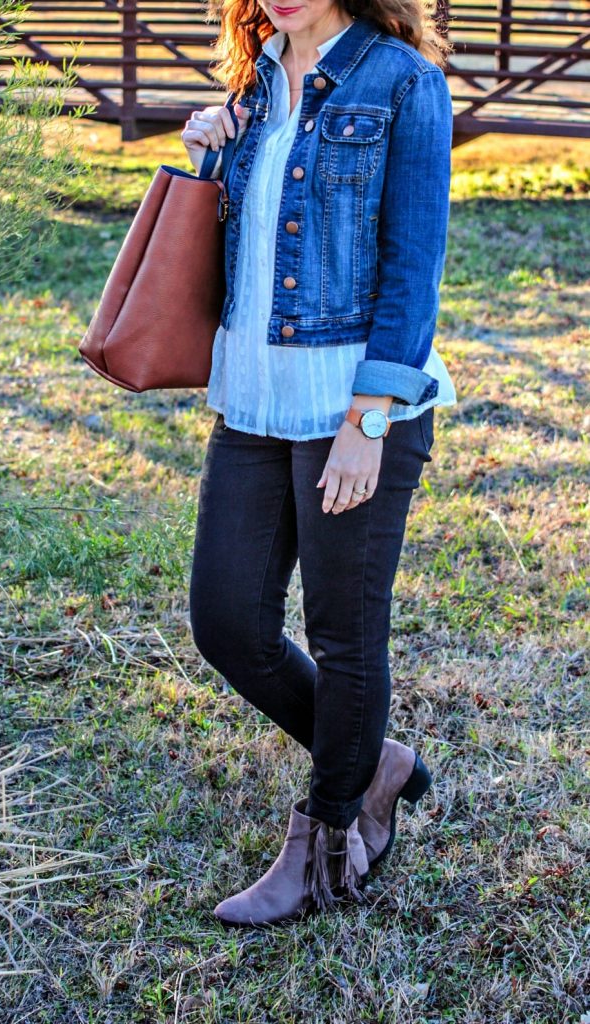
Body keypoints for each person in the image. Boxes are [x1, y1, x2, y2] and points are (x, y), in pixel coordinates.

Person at [180, 0, 456, 927]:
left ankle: (333, 835)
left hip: (352, 400)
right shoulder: (253, 81)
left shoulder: (402, 82)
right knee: (226, 620)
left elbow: (412, 269)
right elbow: (251, 238)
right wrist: (210, 148)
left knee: (344, 636)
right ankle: (372, 758)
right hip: (254, 395)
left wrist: (366, 423)